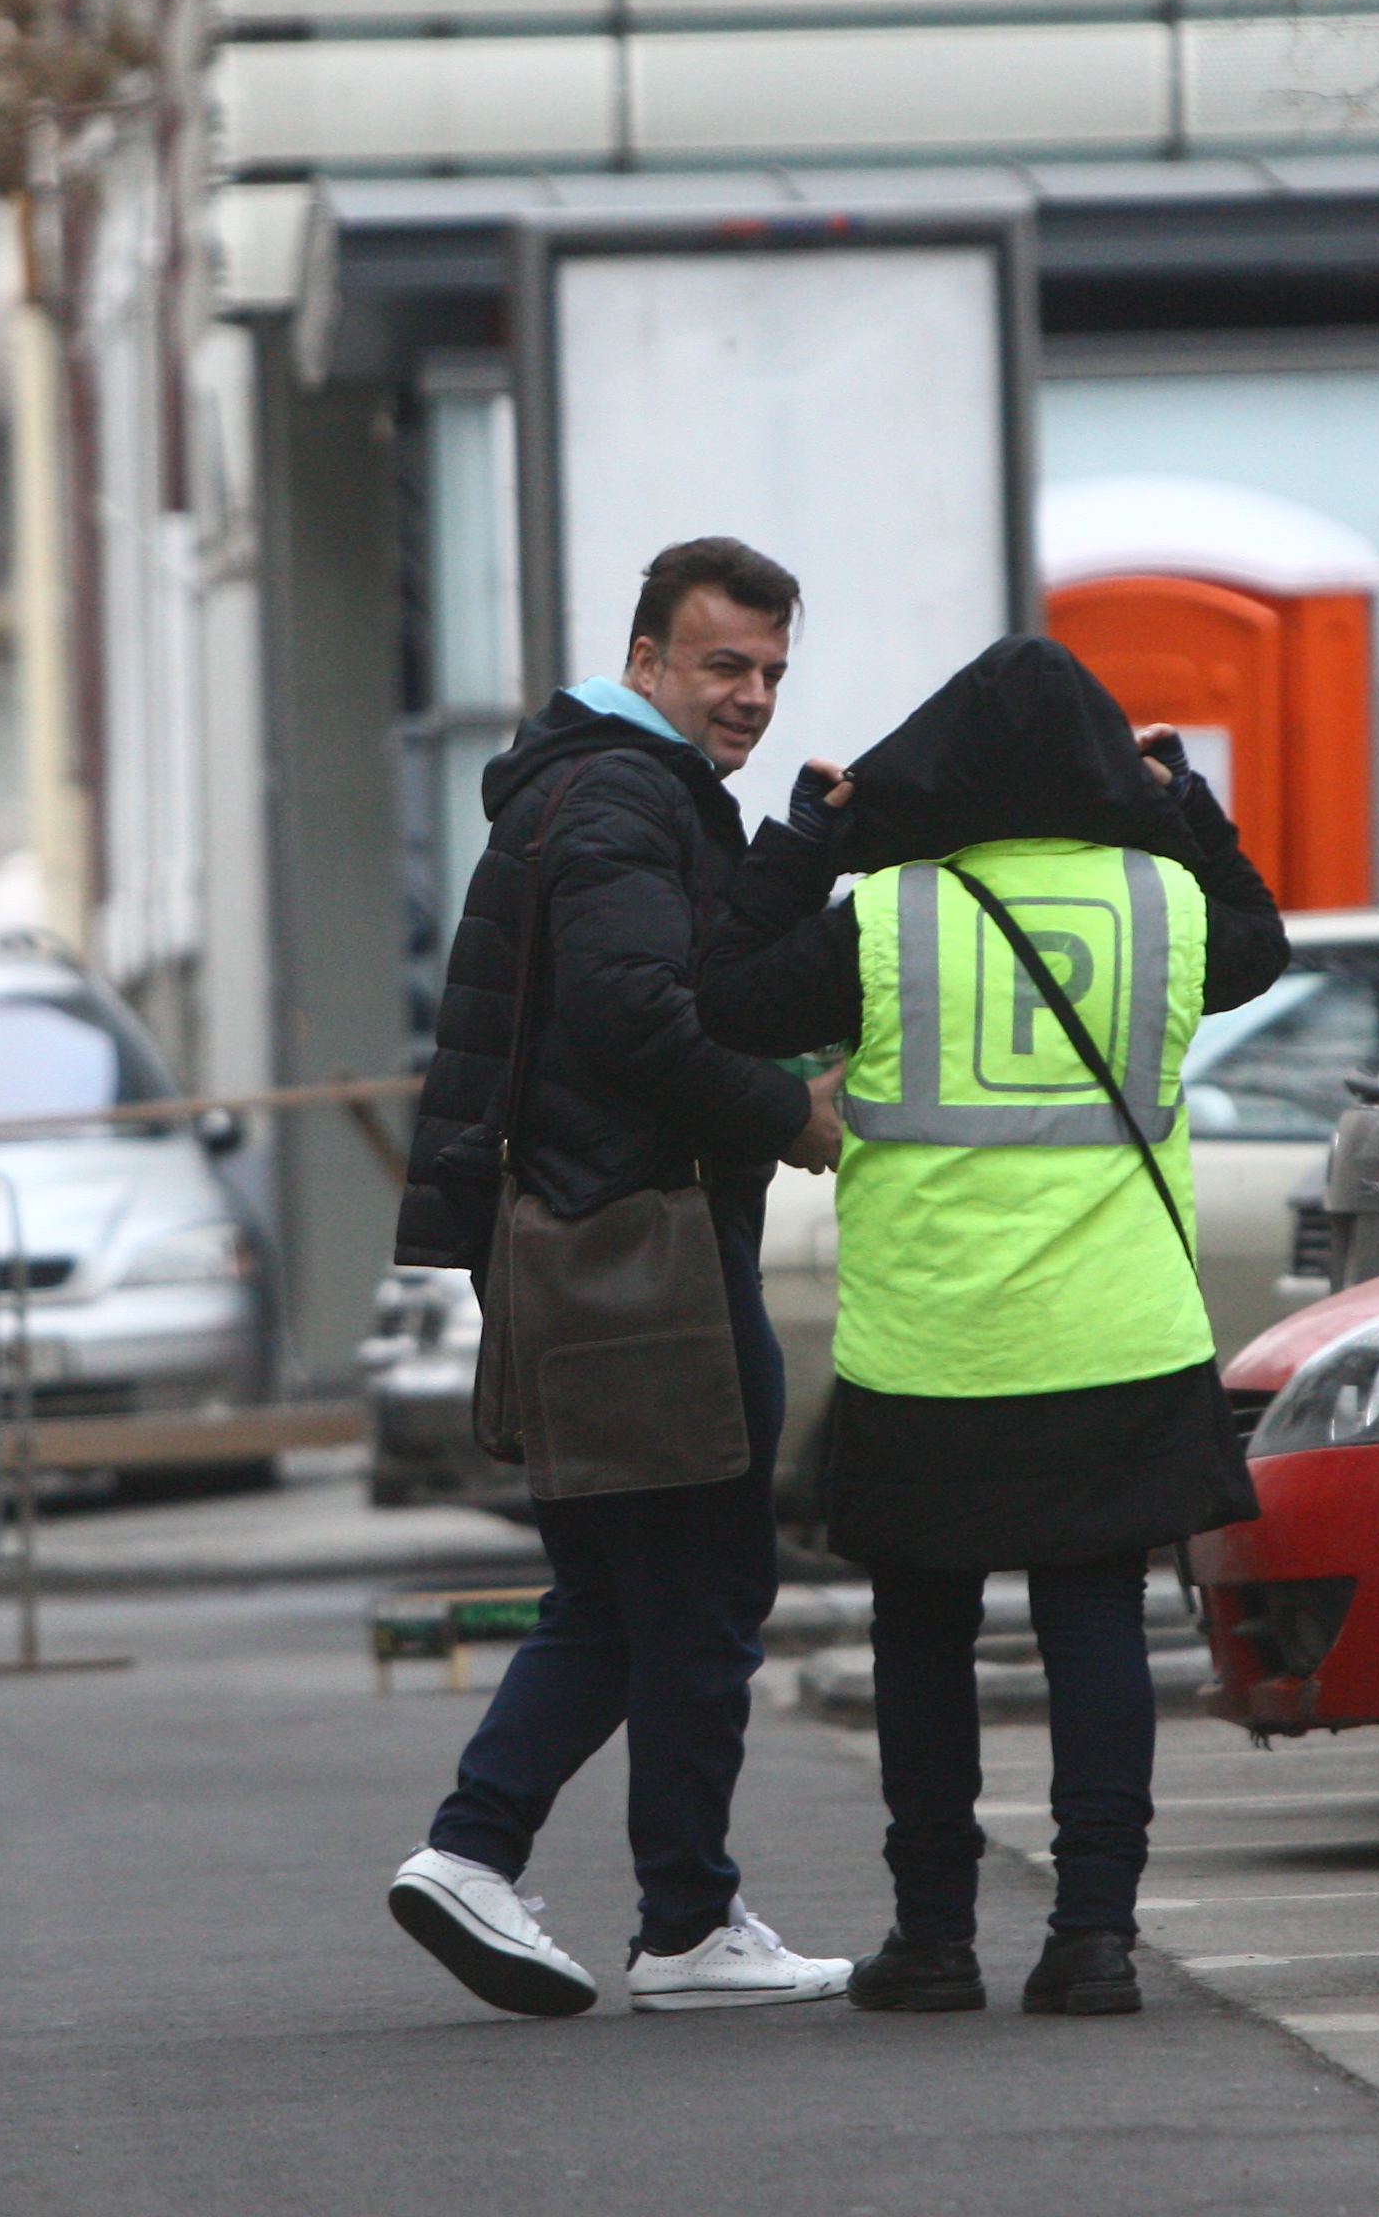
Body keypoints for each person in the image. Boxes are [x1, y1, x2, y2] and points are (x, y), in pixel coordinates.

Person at [702, 635, 1284, 2017]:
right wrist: (1184, 803)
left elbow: (721, 993)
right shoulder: (1165, 906)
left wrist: (807, 838)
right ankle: (1094, 1939)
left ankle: (936, 1938)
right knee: (1095, 1627)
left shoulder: (890, 915)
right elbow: (1260, 944)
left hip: (933, 1343)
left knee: (923, 1636)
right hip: (1121, 1336)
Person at [382, 535, 855, 2018]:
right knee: (706, 1584)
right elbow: (638, 1011)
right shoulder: (618, 799)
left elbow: (689, 957)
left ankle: (495, 1859)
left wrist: (802, 849)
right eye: (724, 665)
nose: (752, 696)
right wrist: (794, 1116)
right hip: (636, 1238)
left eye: (772, 671)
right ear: (648, 658)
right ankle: (675, 1919)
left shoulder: (611, 790)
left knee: (620, 1590)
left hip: (592, 1235)